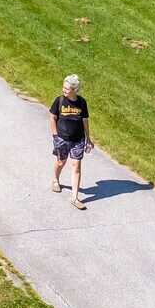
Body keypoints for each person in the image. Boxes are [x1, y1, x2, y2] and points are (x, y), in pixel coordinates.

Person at [49, 73, 92, 209]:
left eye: (67, 89)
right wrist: (56, 135)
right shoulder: (59, 101)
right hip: (61, 138)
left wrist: (88, 139)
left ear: (74, 90)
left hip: (78, 139)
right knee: (61, 162)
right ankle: (56, 179)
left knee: (76, 166)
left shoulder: (81, 102)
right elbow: (52, 118)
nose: (64, 90)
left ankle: (75, 198)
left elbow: (85, 120)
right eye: (63, 87)